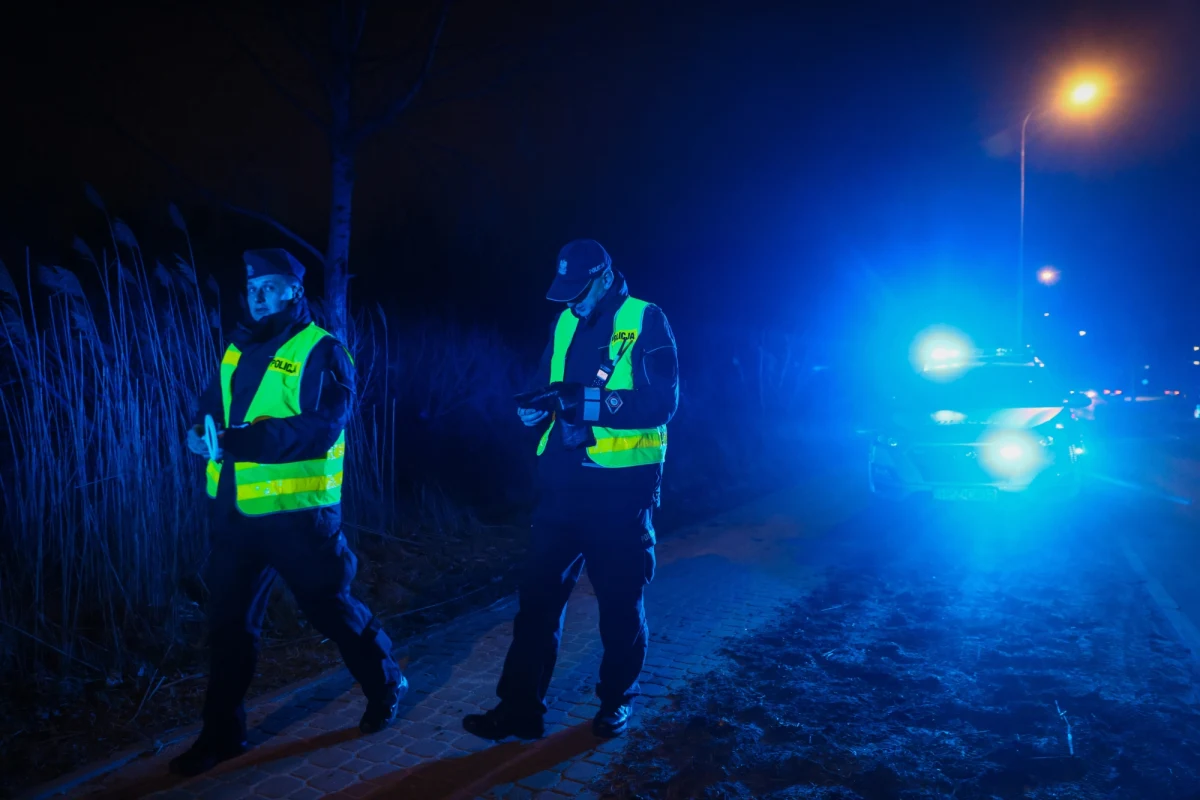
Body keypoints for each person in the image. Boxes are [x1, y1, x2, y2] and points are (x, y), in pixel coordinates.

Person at [171, 248, 406, 777]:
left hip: (300, 519)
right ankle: (222, 737)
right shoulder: (237, 347)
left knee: (331, 611)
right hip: (235, 518)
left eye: (269, 287)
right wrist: (196, 431)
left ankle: (386, 681)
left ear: (295, 292)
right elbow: (212, 406)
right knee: (229, 626)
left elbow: (321, 428)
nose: (256, 295)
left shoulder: (322, 349)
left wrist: (239, 440)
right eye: (251, 287)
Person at [463, 238, 678, 740]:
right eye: (562, 292)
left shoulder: (646, 318)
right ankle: (519, 710)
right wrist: (532, 408)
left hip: (621, 494)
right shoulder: (564, 321)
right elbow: (545, 382)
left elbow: (661, 404)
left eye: (578, 291)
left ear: (603, 276)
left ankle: (616, 702)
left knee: (620, 607)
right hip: (562, 490)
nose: (570, 302)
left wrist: (582, 403)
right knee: (535, 607)